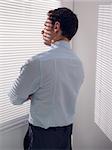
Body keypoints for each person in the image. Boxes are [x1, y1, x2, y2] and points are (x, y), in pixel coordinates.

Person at [9, 7, 84, 150]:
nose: (42, 31)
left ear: (56, 27)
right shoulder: (78, 63)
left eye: (45, 25)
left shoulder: (37, 62)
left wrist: (30, 94)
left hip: (42, 138)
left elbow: (14, 98)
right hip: (66, 134)